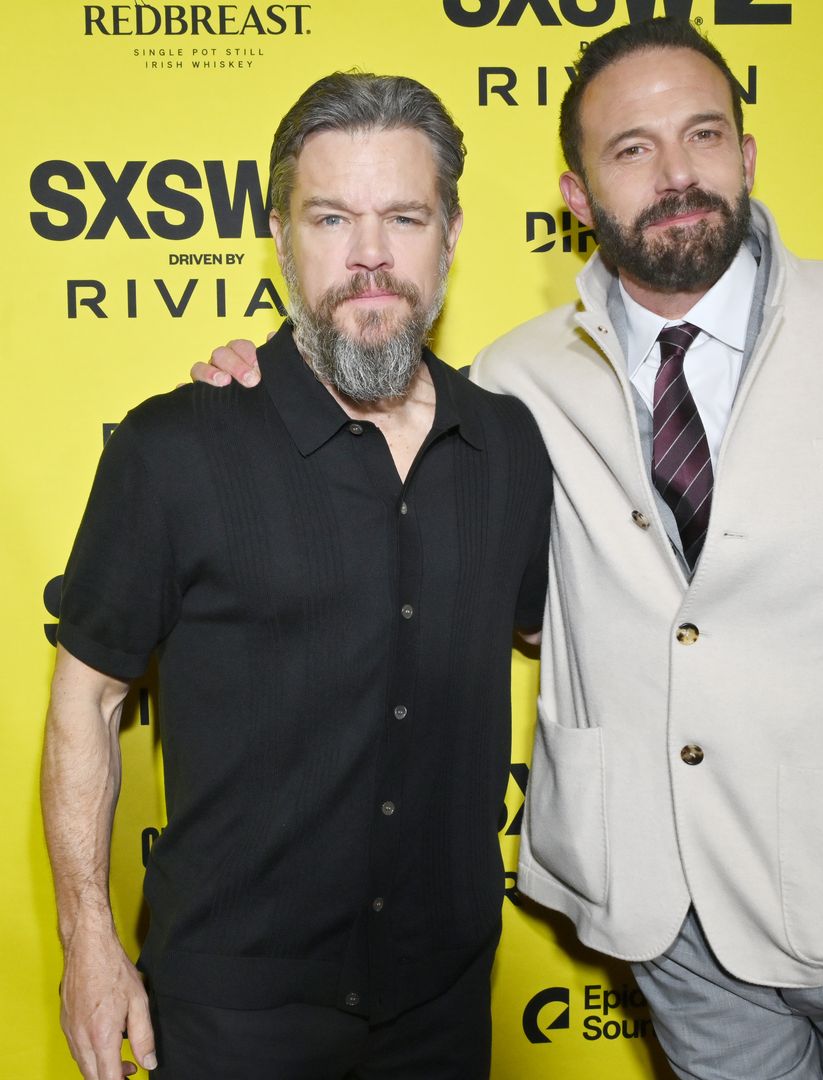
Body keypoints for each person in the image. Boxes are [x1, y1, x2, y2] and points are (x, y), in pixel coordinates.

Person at [196, 18, 823, 1080]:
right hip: (673, 922)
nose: (677, 174)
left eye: (703, 135)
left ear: (746, 155)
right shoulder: (512, 384)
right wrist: (254, 382)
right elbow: (376, 424)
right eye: (632, 150)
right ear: (577, 196)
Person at [42, 71, 551, 1080]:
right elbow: (87, 702)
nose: (370, 258)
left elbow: (571, 638)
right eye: (331, 218)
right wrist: (89, 942)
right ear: (280, 236)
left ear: (451, 234)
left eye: (404, 217)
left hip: (443, 1006)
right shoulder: (174, 448)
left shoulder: (510, 443)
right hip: (233, 1009)